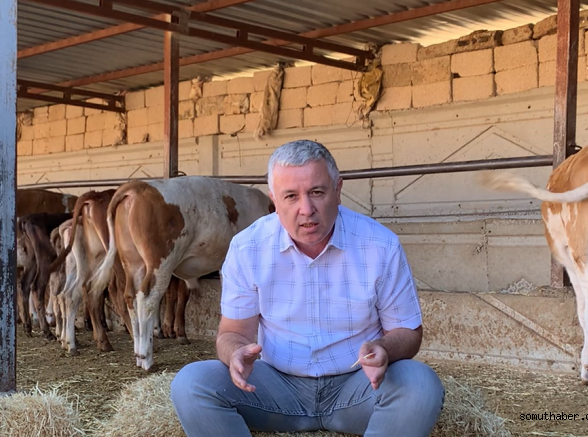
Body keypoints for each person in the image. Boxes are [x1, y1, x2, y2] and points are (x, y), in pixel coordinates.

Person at [170, 140, 443, 437]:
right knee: (192, 384)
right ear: (274, 201)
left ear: (338, 190)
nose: (306, 209)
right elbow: (233, 333)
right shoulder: (247, 247)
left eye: (317, 192)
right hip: (275, 389)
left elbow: (407, 332)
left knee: (420, 384)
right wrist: (235, 353)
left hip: (360, 386)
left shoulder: (380, 245)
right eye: (291, 196)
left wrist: (384, 349)